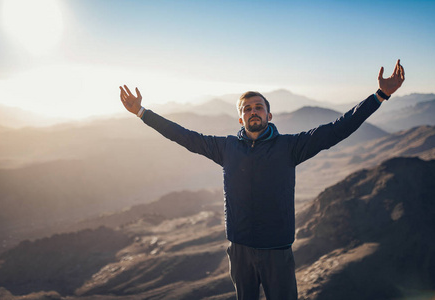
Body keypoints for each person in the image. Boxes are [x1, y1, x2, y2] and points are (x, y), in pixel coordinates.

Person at [119, 60, 405, 300]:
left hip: (277, 251)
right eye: (247, 109)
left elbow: (337, 129)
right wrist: (143, 113)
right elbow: (183, 135)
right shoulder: (225, 148)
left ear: (269, 114)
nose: (253, 112)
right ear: (240, 119)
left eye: (258, 107)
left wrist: (379, 96)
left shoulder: (290, 147)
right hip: (240, 249)